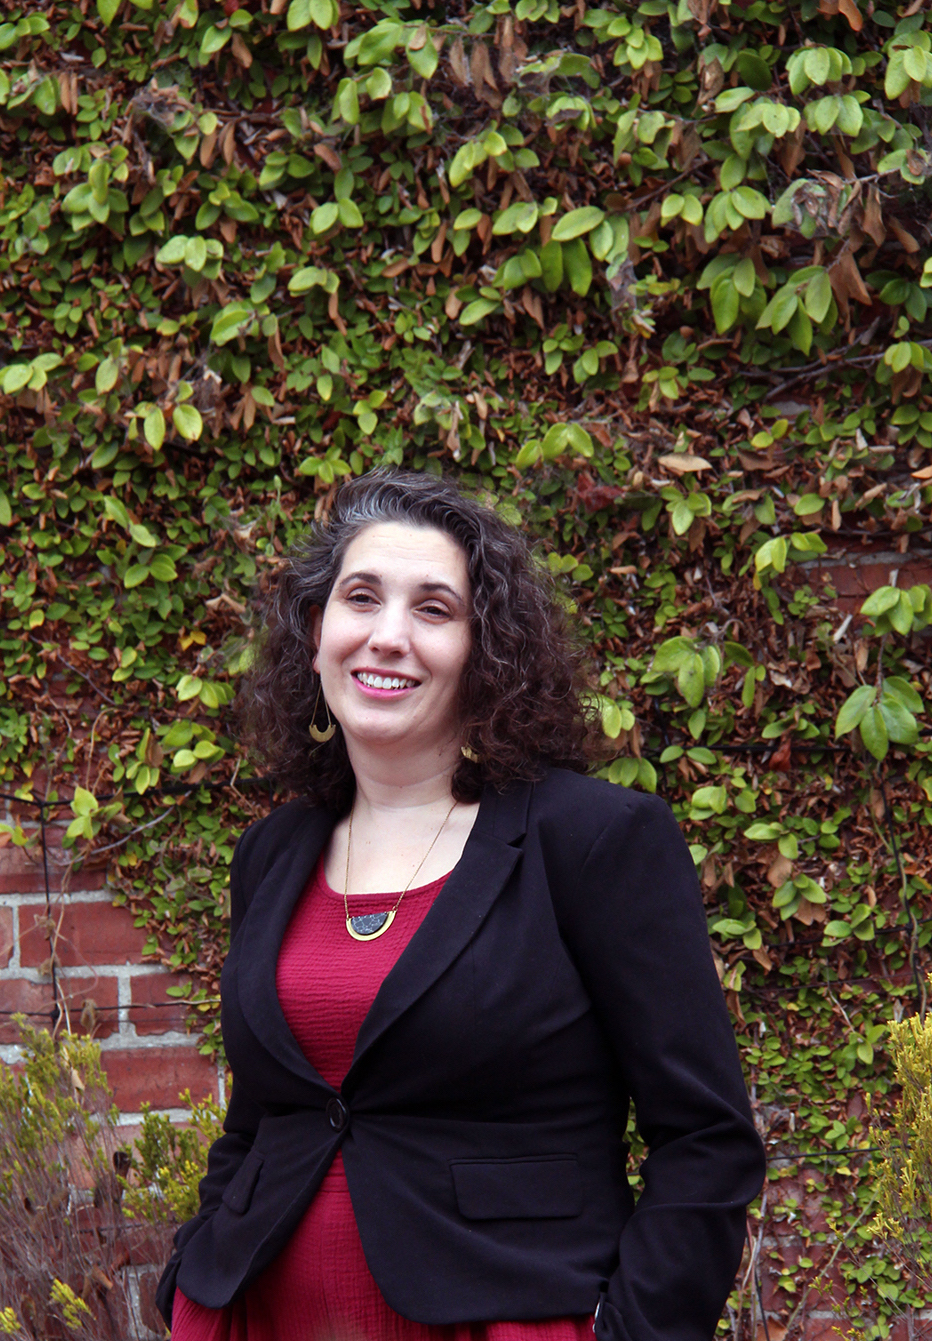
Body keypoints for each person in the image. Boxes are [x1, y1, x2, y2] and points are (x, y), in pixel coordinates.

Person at [156, 468, 765, 1341]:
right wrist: (192, 1275)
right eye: (360, 598)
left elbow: (705, 1138)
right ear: (317, 632)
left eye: (434, 609)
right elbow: (262, 1117)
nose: (388, 636)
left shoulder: (592, 840)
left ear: (488, 651)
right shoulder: (274, 853)